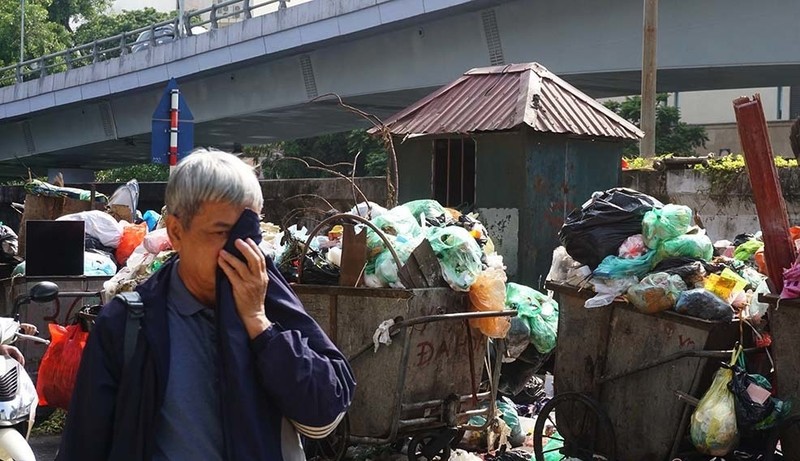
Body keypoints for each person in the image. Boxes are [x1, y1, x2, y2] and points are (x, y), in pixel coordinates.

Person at [57, 149, 356, 461]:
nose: (240, 249)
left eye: (248, 233)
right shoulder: (128, 324)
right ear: (176, 232)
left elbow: (324, 411)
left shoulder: (268, 298)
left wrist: (259, 324)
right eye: (222, 232)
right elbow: (84, 443)